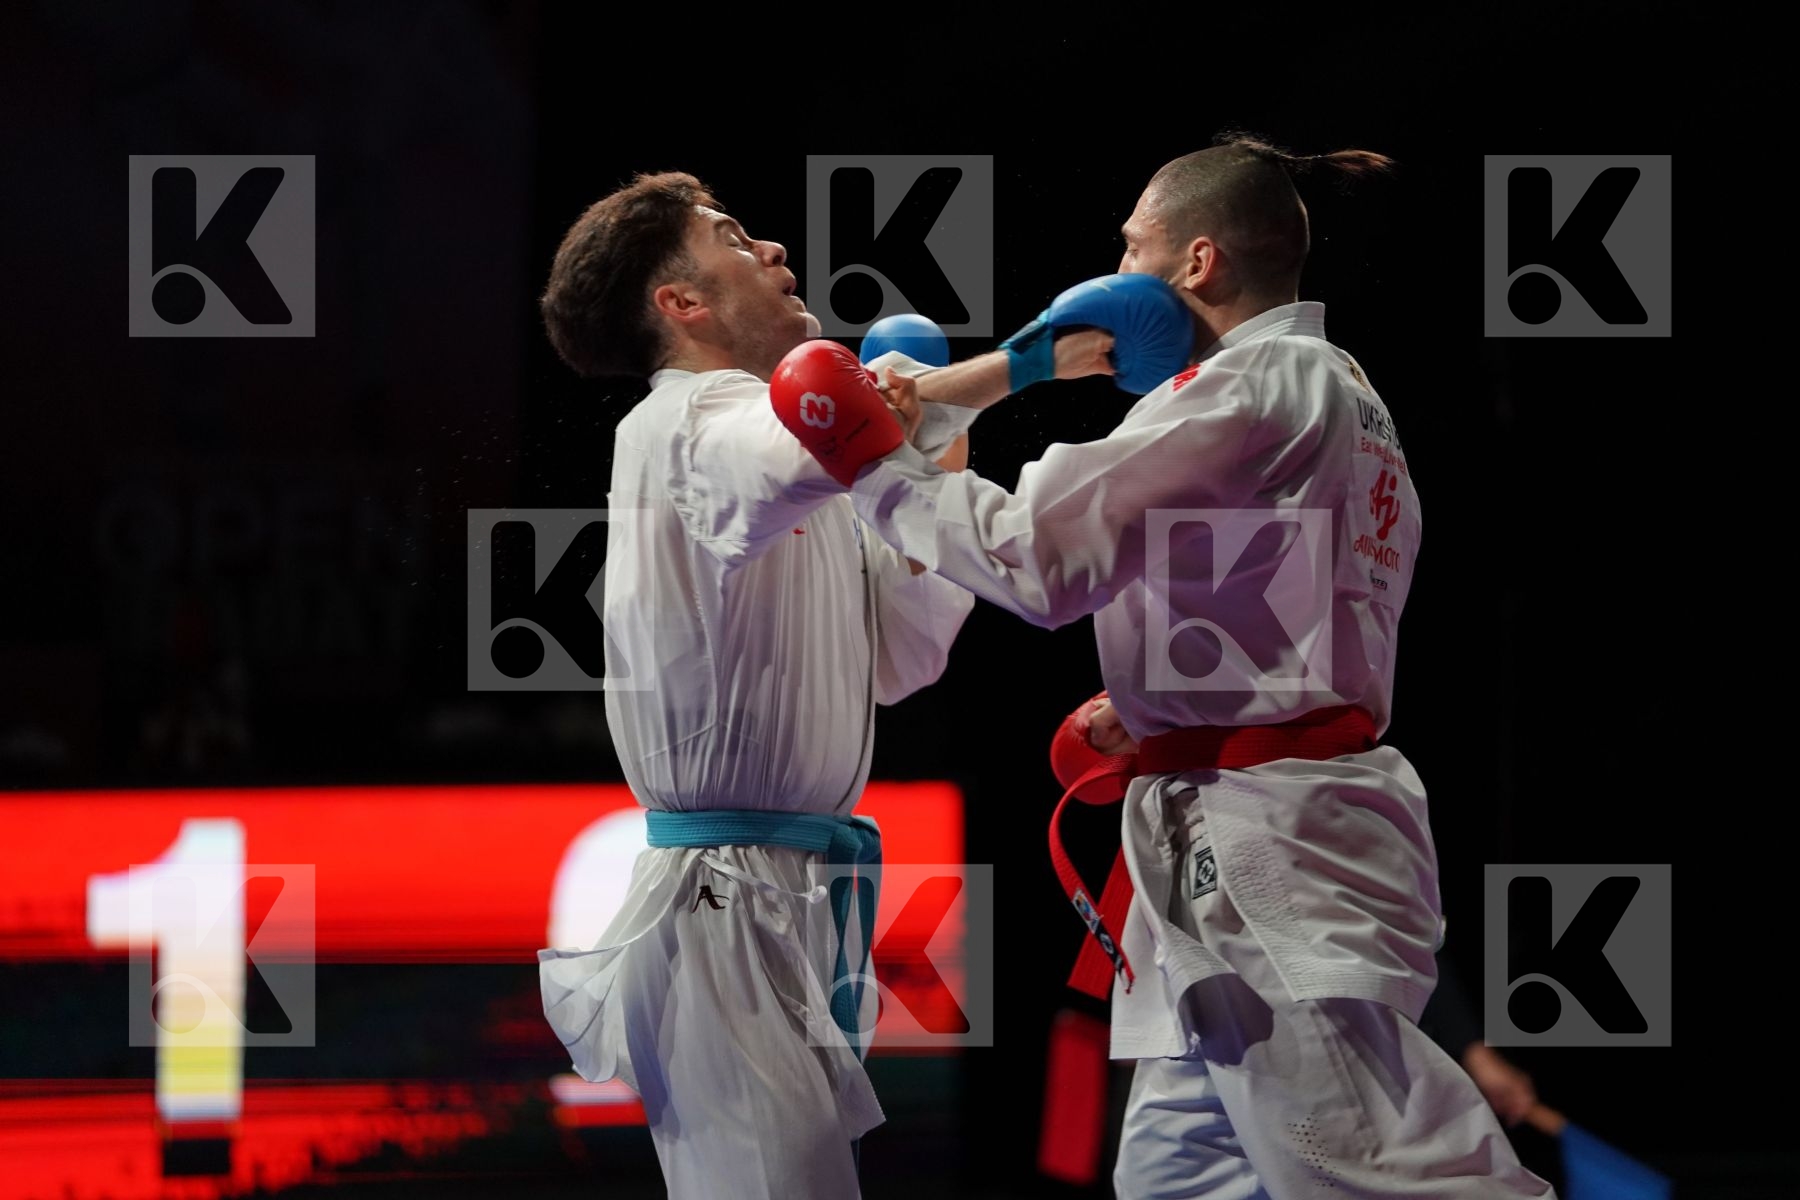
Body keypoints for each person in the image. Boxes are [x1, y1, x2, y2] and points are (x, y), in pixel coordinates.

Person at [772, 136, 1558, 1196]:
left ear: (1193, 264)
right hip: (1241, 818)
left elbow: (1039, 558)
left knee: (1383, 1175)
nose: (1118, 271)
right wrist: (1154, 697)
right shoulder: (1332, 388)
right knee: (1179, 1178)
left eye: (1131, 247)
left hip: (1269, 843)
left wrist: (872, 469)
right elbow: (1286, 591)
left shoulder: (1254, 385)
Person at [532, 171, 977, 1200]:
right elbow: (813, 438)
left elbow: (905, 657)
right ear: (679, 304)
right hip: (723, 909)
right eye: (734, 237)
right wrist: (1016, 366)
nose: (774, 249)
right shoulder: (690, 424)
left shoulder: (797, 451)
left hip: (800, 898)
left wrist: (943, 436)